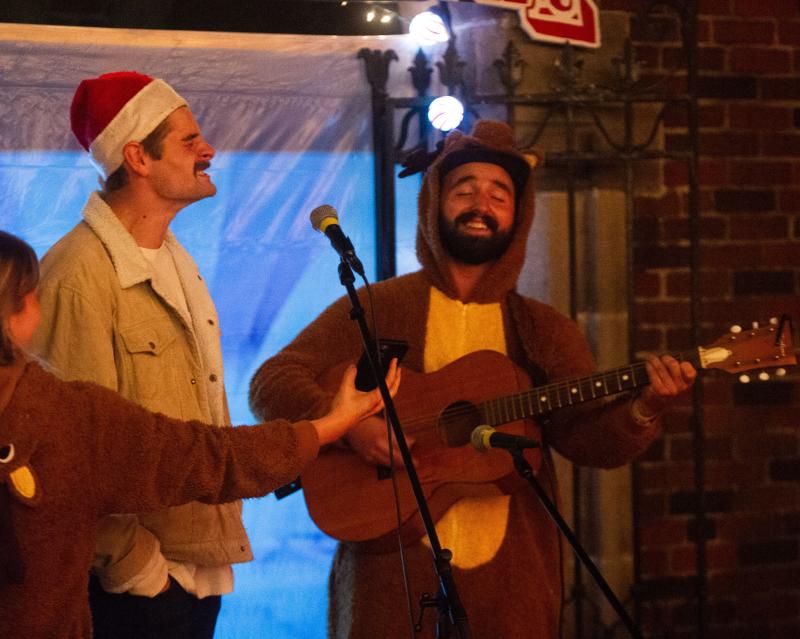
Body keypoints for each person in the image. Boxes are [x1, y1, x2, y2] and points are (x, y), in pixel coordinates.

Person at [248, 120, 696, 638]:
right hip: (388, 578)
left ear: (519, 216)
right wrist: (350, 427)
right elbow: (271, 380)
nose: (480, 204)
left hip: (511, 581)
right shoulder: (378, 305)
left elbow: (586, 438)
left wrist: (643, 410)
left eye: (499, 195)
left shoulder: (543, 329)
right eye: (464, 190)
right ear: (435, 205)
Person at [0, 226, 398, 639]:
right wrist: (329, 426)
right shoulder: (74, 419)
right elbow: (210, 457)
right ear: (15, 312)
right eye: (34, 295)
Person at [28, 70, 242, 638]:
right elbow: (70, 453)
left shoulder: (174, 258)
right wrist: (140, 572)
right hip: (132, 592)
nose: (208, 150)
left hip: (193, 576)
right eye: (189, 140)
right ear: (138, 158)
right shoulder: (78, 274)